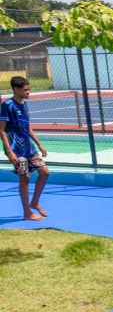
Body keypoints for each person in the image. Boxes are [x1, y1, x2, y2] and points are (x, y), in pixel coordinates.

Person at [0, 76, 50, 220]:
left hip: (29, 148)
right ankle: (27, 212)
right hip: (15, 149)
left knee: (45, 172)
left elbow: (27, 126)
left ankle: (34, 203)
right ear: (16, 89)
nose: (29, 92)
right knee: (25, 177)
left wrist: (39, 143)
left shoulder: (24, 104)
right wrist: (9, 151)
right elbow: (2, 130)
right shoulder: (7, 105)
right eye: (26, 90)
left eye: (29, 89)